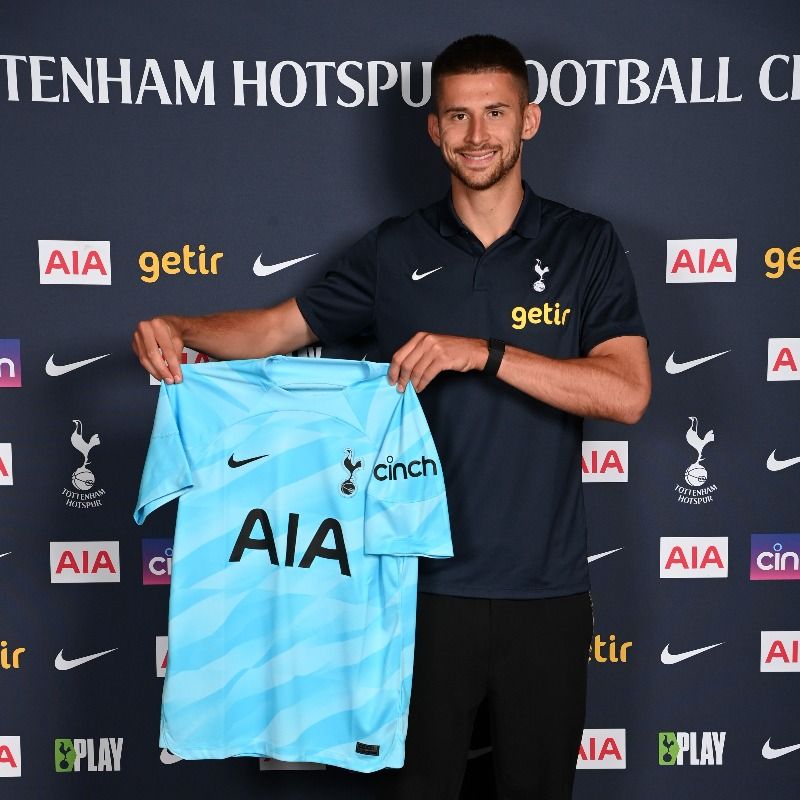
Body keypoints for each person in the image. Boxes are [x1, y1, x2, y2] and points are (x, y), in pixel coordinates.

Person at [133, 34, 650, 800]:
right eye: (458, 117)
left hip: (543, 593)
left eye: (495, 113)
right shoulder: (395, 250)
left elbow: (627, 393)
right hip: (410, 594)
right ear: (434, 129)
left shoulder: (586, 245)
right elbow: (278, 329)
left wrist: (485, 352)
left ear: (530, 120)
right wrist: (180, 325)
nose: (477, 136)